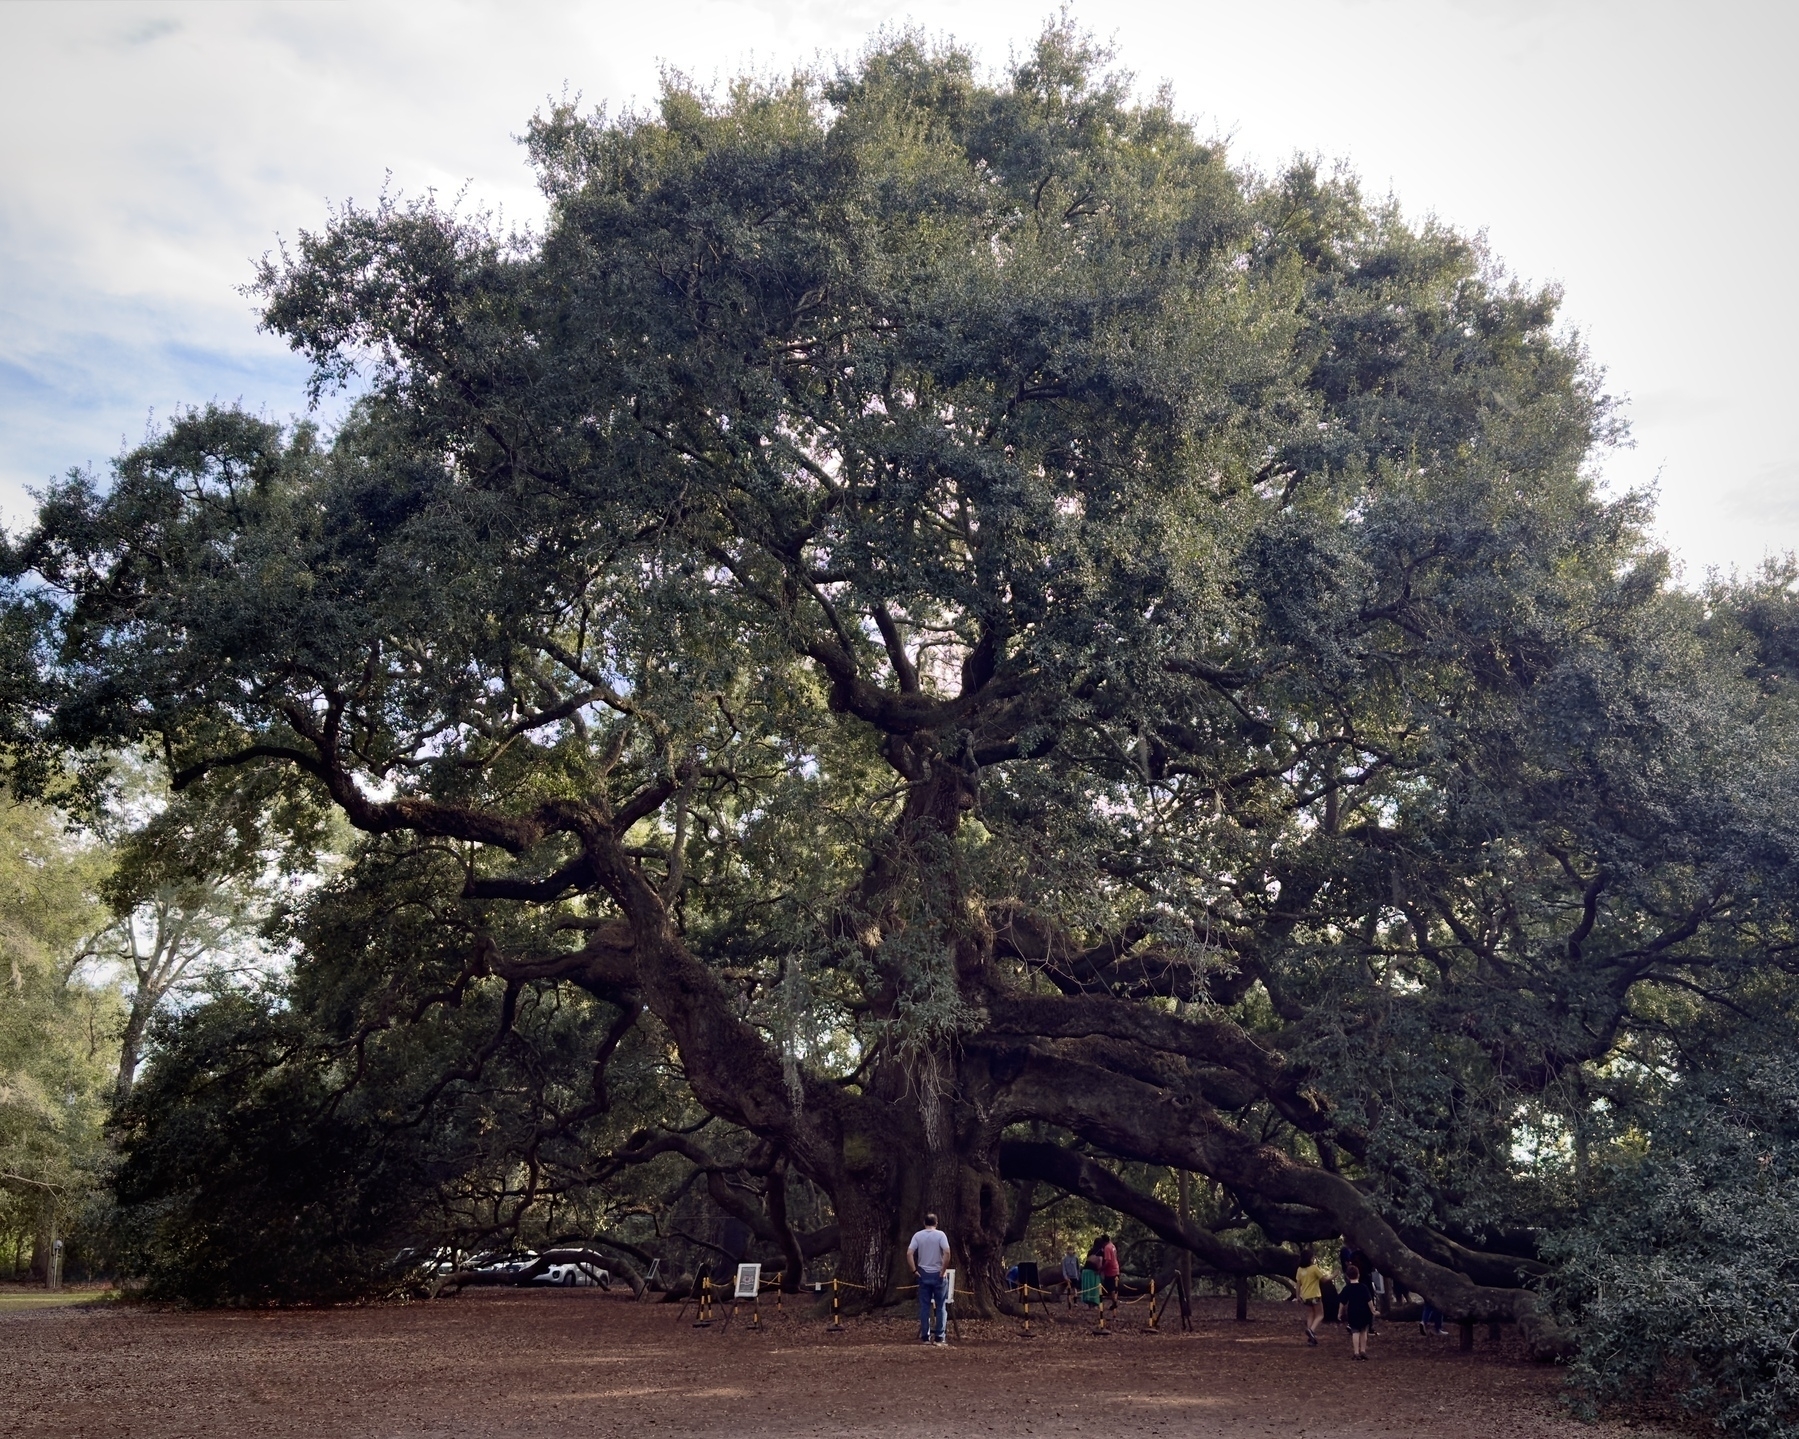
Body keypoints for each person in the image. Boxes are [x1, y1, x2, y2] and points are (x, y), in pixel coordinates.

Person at [906, 1212, 953, 1345]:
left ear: (924, 1223)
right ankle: (939, 1337)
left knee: (925, 1306)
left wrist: (914, 1270)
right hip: (938, 1274)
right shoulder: (940, 1235)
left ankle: (925, 1337)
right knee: (940, 1306)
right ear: (936, 1223)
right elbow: (947, 1252)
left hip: (923, 1273)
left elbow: (909, 1253)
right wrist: (943, 1270)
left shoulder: (918, 1236)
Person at [1293, 1247, 1327, 1345]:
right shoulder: (1314, 1268)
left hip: (1306, 1296)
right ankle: (1311, 1330)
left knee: (1310, 1315)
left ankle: (1311, 1338)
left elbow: (1298, 1285)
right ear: (1310, 1258)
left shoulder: (1299, 1270)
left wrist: (1298, 1297)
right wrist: (1333, 1276)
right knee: (1320, 1315)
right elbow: (1324, 1279)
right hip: (1315, 1295)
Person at [1340, 1263, 1375, 1360]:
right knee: (1364, 1331)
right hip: (1364, 1312)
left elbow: (1342, 1302)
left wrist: (1340, 1313)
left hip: (1353, 1312)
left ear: (1347, 1276)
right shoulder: (1363, 1287)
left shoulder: (1347, 1288)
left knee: (1355, 1332)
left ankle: (1356, 1352)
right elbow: (1369, 1300)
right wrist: (1373, 1310)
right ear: (1358, 1274)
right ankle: (1363, 1350)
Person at [1097, 1234, 1121, 1309]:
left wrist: (1101, 1269)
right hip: (1116, 1267)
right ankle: (1114, 1302)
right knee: (1113, 1287)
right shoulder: (1112, 1245)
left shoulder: (1107, 1247)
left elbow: (1108, 1260)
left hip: (1111, 1270)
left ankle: (1115, 1302)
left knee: (1111, 1287)